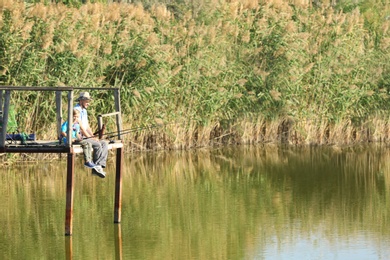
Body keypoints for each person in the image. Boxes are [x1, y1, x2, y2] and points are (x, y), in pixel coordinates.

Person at [74, 92, 108, 178]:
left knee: (104, 143)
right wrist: (91, 138)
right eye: (87, 101)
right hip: (80, 137)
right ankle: (96, 168)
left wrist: (92, 136)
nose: (88, 103)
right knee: (97, 144)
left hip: (87, 136)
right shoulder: (76, 110)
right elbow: (81, 128)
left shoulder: (84, 111)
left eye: (89, 101)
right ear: (81, 100)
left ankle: (99, 166)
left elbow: (87, 126)